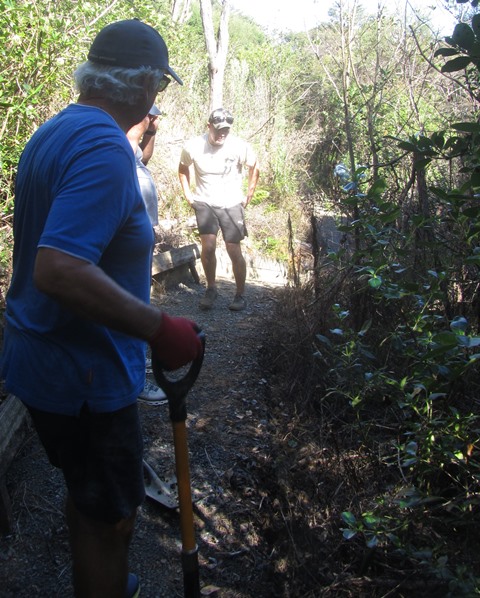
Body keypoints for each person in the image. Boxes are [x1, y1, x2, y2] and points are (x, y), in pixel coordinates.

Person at [0, 19, 202, 598]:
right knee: (112, 518)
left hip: (43, 360)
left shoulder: (54, 131)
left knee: (88, 495)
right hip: (84, 373)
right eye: (158, 84)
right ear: (144, 85)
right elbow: (59, 268)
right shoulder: (106, 150)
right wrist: (160, 328)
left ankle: (101, 578)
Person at [178, 107, 260, 311]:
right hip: (204, 201)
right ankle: (211, 288)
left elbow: (254, 167)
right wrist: (188, 194)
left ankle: (240, 294)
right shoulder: (194, 146)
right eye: (219, 129)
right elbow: (182, 168)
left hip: (231, 203)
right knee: (208, 247)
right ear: (209, 126)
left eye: (226, 130)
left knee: (233, 248)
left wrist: (249, 195)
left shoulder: (239, 146)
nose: (222, 133)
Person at [126, 106, 167, 406]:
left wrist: (149, 132)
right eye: (148, 115)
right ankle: (134, 377)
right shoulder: (119, 140)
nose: (152, 120)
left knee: (140, 296)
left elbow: (144, 157)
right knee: (132, 301)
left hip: (142, 233)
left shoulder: (134, 143)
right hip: (127, 237)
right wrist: (139, 128)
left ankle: (136, 361)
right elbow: (128, 154)